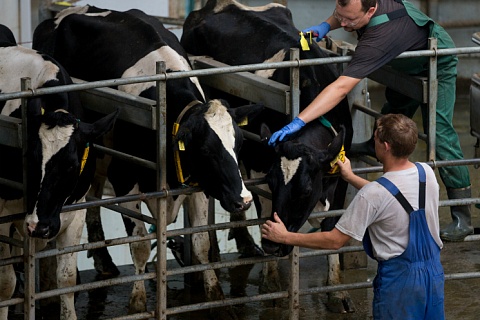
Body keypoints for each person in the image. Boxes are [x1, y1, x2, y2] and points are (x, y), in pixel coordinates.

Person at [268, 0, 473, 242]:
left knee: (439, 133)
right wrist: (326, 24)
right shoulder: (360, 4)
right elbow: (345, 13)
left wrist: (300, 120)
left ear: (371, 11)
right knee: (392, 115)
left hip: (435, 60)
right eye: (340, 16)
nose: (343, 24)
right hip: (404, 56)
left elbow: (341, 88)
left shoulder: (379, 38)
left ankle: (462, 215)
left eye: (349, 21)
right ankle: (371, 145)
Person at [263, 114, 445, 319]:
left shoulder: (372, 195)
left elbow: (334, 241)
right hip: (433, 274)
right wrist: (350, 177)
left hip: (399, 283)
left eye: (374, 138)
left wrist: (285, 237)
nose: (372, 141)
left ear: (385, 146)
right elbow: (392, 196)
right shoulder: (425, 173)